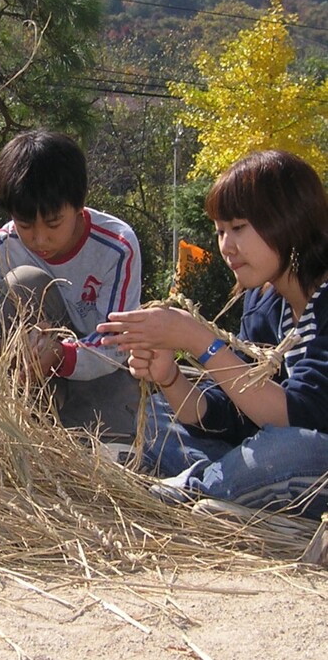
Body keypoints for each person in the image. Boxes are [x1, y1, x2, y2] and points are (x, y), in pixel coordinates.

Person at [98, 150, 328, 519]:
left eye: (238, 228)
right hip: (265, 451)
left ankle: (191, 488)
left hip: (313, 462)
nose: (226, 246)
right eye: (220, 231)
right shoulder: (265, 303)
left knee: (286, 450)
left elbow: (299, 418)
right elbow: (234, 417)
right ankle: (226, 488)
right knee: (155, 412)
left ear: (289, 219)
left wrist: (198, 340)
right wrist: (170, 377)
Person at [0, 130, 142, 438]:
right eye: (25, 225)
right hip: (26, 383)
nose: (40, 239)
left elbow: (114, 347)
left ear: (79, 205)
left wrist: (58, 353)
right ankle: (25, 427)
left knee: (104, 466)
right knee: (24, 281)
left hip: (102, 378)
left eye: (54, 223)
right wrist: (21, 354)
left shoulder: (117, 245)